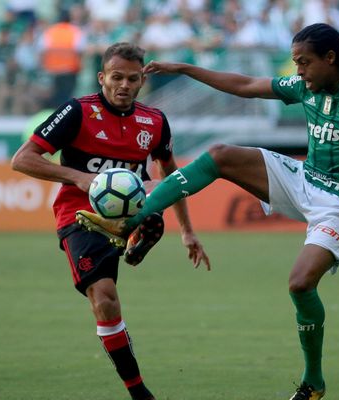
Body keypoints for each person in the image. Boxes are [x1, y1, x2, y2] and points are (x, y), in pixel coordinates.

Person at [77, 23, 339, 400]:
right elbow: (243, 85)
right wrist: (187, 69)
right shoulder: (305, 86)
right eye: (295, 63)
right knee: (221, 154)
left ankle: (313, 383)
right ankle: (128, 221)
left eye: (304, 63)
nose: (298, 71)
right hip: (305, 179)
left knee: (300, 284)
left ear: (330, 58)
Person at [11, 42, 210, 400]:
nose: (124, 85)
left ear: (141, 81)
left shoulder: (154, 121)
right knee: (104, 300)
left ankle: (136, 235)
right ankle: (138, 392)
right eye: (116, 77)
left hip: (130, 208)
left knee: (152, 196)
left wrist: (188, 231)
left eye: (133, 79)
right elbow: (22, 159)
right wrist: (79, 178)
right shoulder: (78, 111)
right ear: (102, 77)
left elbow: (171, 174)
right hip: (80, 214)